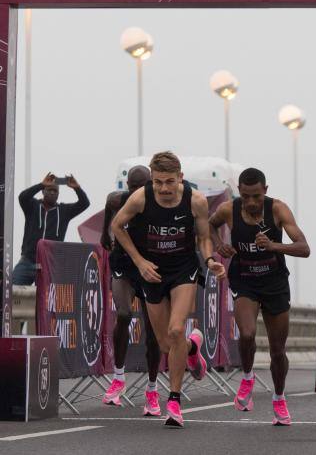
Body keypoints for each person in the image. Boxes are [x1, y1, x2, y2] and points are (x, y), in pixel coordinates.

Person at [111, 152, 226, 428]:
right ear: (152, 179)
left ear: (181, 179)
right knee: (166, 344)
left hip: (183, 269)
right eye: (159, 181)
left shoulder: (195, 201)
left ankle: (174, 401)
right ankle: (191, 349)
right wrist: (139, 262)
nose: (164, 188)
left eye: (170, 182)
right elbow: (117, 226)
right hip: (152, 271)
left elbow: (202, 237)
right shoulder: (140, 198)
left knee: (176, 330)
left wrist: (210, 260)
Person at [209, 167, 309, 426]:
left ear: (265, 190)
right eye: (246, 196)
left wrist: (274, 245)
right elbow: (208, 226)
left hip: (275, 282)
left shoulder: (278, 210)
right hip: (245, 281)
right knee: (247, 334)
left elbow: (304, 248)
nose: (251, 202)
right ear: (239, 192)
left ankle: (278, 397)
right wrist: (219, 244)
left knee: (277, 350)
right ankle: (248, 376)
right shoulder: (228, 210)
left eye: (256, 196)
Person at [100, 165, 163, 416]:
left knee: (152, 332)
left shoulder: (160, 202)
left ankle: (152, 388)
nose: (137, 192)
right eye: (133, 187)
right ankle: (118, 376)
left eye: (142, 187)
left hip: (149, 267)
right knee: (124, 314)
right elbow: (109, 202)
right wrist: (106, 232)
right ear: (127, 188)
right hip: (124, 265)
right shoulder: (119, 199)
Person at [13, 172, 90, 285]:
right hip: (27, 261)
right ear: (43, 191)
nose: (53, 193)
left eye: (55, 191)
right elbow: (22, 197)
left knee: (48, 299)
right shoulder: (32, 206)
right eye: (50, 190)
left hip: (50, 265)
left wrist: (77, 188)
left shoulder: (64, 211)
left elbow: (85, 203)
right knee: (11, 291)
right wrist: (41, 184)